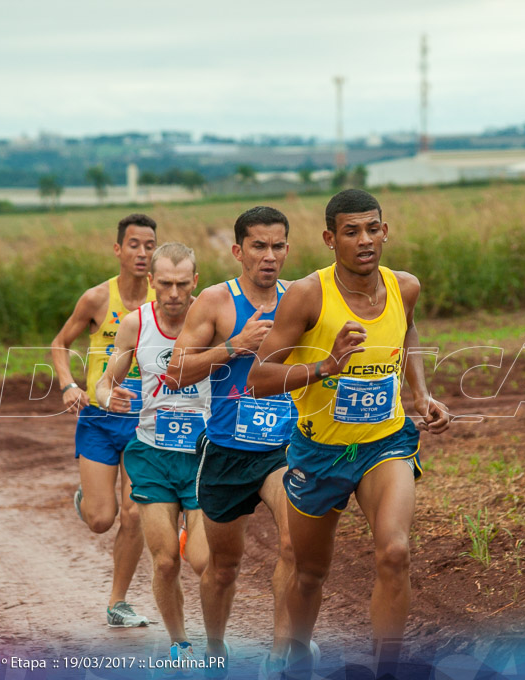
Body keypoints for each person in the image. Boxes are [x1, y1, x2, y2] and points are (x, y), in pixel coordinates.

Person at [246, 189, 451, 677]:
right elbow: (260, 377)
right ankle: (295, 659)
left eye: (373, 228)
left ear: (385, 231)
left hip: (385, 442)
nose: (365, 240)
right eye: (352, 231)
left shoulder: (404, 287)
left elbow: (408, 332)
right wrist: (327, 365)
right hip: (320, 452)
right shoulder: (308, 295)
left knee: (396, 552)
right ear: (329, 238)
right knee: (310, 573)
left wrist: (419, 395)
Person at [165, 206, 299, 674]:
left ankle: (281, 657)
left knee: (294, 546)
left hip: (284, 448)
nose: (269, 256)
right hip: (226, 450)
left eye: (278, 245)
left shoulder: (300, 300)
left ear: (287, 249)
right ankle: (216, 651)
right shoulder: (215, 302)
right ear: (239, 250)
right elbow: (176, 372)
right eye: (259, 246)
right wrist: (235, 346)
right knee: (223, 567)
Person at [96, 242, 212, 666]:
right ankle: (180, 644)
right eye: (165, 284)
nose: (175, 293)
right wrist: (109, 396)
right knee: (165, 564)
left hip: (202, 456)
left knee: (202, 562)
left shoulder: (215, 319)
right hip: (152, 455)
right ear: (152, 282)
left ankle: (187, 532)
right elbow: (108, 382)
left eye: (183, 284)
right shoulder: (135, 324)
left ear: (195, 281)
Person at [50, 213, 157, 628]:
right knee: (101, 520)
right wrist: (68, 385)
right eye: (134, 245)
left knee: (134, 514)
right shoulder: (97, 299)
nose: (143, 253)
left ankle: (118, 603)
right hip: (97, 417)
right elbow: (60, 344)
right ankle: (87, 502)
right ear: (118, 250)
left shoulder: (164, 298)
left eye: (150, 245)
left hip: (144, 420)